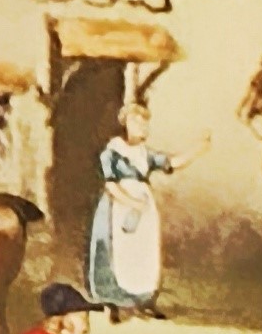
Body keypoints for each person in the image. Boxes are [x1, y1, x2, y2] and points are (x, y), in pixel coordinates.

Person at [86, 101, 208, 318]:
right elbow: (111, 185)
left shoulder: (145, 154)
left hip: (144, 209)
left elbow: (171, 163)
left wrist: (197, 150)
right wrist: (131, 202)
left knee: (144, 251)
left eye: (145, 123)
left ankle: (144, 300)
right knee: (118, 251)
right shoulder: (112, 152)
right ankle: (115, 302)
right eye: (138, 122)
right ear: (126, 124)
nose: (143, 127)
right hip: (118, 207)